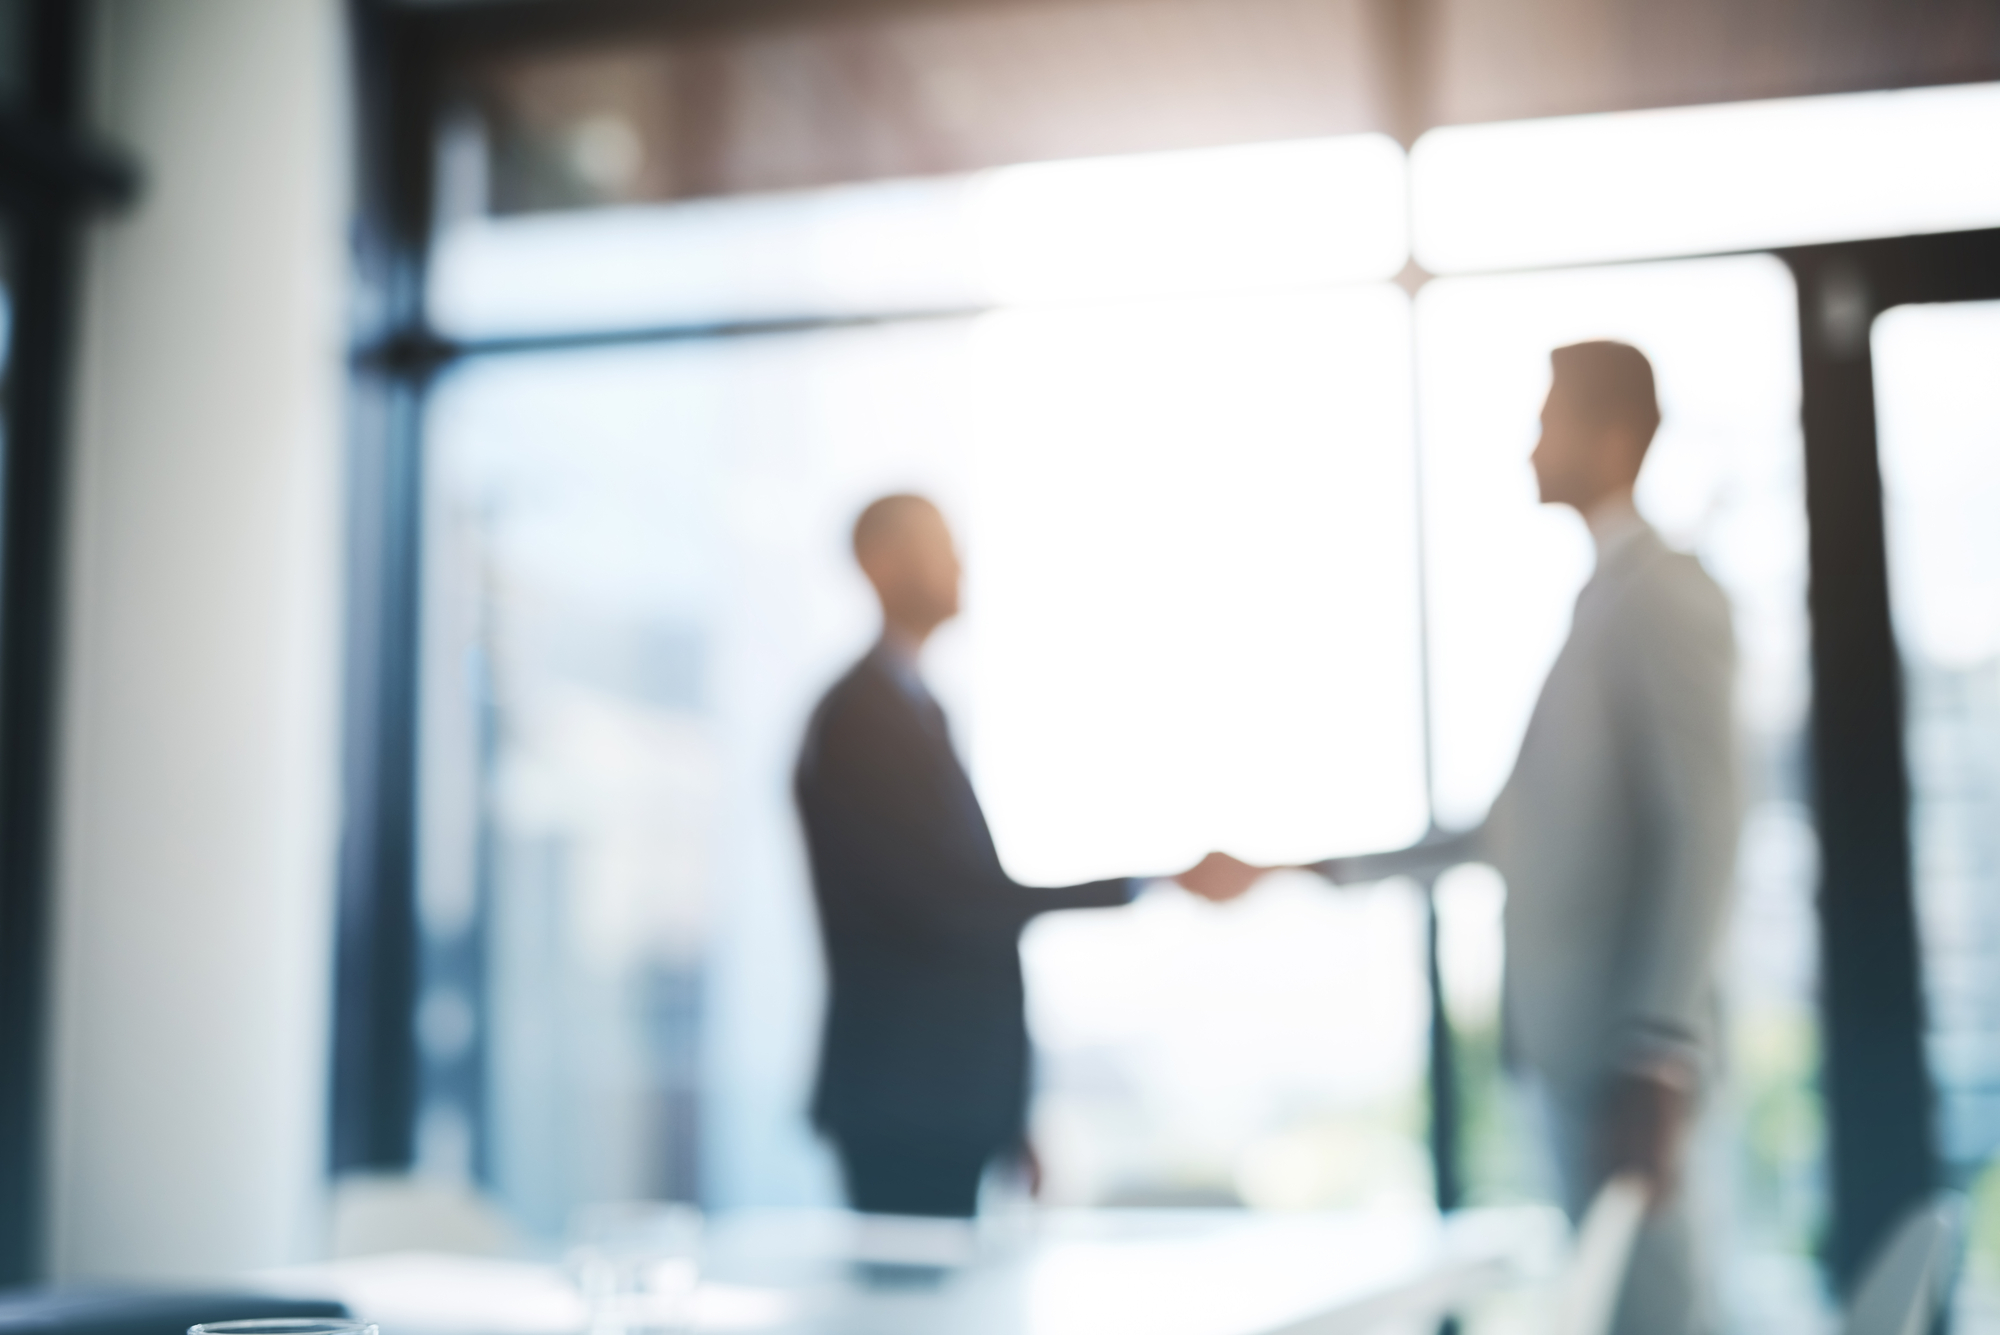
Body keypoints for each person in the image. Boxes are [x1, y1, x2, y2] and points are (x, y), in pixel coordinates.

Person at [794, 493, 1255, 1218]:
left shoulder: (914, 708)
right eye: (937, 545)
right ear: (880, 564)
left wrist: (1010, 1111)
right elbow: (956, 904)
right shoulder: (863, 719)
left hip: (945, 1095)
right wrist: (1153, 879)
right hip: (906, 1101)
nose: (957, 563)